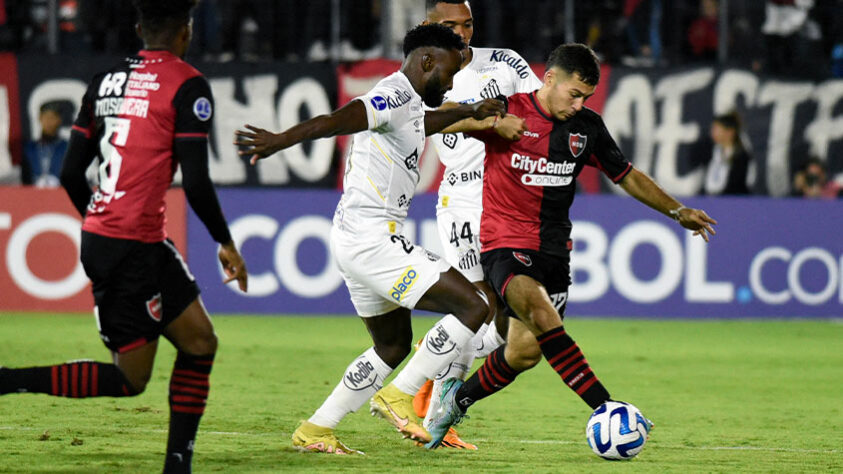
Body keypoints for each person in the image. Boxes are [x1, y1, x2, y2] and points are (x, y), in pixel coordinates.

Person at [425, 43, 718, 448]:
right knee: (545, 318)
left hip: (554, 252)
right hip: (504, 244)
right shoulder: (507, 109)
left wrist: (676, 210)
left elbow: (626, 174)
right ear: (549, 79)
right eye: (574, 94)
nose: (578, 104)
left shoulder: (587, 128)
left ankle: (456, 400)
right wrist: (485, 123)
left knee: (524, 353)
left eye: (586, 97)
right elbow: (438, 122)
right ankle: (607, 407)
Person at [0, 1, 248, 473]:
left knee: (200, 342)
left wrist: (99, 219)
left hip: (136, 242)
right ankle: (8, 380)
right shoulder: (188, 84)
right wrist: (225, 242)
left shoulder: (105, 82)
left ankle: (179, 463)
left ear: (140, 29)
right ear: (186, 32)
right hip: (129, 248)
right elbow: (195, 181)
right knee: (131, 379)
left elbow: (74, 171)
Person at [234, 23, 505, 455]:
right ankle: (400, 395)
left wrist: (469, 108)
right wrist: (280, 140)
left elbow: (424, 123)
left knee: (392, 345)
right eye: (449, 73)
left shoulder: (410, 104)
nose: (451, 82)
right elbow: (337, 120)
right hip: (373, 236)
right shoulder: (394, 93)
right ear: (427, 61)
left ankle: (317, 428)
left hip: (354, 237)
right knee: (476, 304)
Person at [409, 0, 538, 451]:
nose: (461, 33)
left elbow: (539, 111)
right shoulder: (422, 74)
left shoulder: (504, 62)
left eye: (467, 24)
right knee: (480, 303)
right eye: (449, 26)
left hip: (509, 199)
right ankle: (436, 414)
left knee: (512, 326)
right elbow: (411, 126)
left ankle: (438, 348)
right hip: (462, 198)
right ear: (428, 26)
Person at [704, 111, 754, 195]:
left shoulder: (741, 156)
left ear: (729, 132)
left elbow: (738, 186)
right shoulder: (713, 152)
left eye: (716, 129)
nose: (712, 133)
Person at [22, 102, 68, 187]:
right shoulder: (29, 148)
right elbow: (24, 179)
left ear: (59, 120)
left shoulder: (67, 148)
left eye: (52, 118)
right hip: (32, 195)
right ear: (40, 118)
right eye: (45, 117)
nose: (48, 122)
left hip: (60, 195)